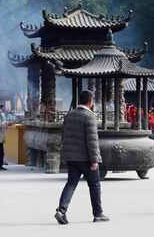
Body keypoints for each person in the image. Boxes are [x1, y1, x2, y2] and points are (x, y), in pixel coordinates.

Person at [54, 91, 109, 225]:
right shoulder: (89, 117)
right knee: (94, 184)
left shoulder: (69, 115)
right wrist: (95, 160)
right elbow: (92, 140)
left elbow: (64, 136)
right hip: (85, 158)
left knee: (71, 184)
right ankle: (98, 213)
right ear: (90, 102)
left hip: (71, 157)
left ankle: (61, 211)